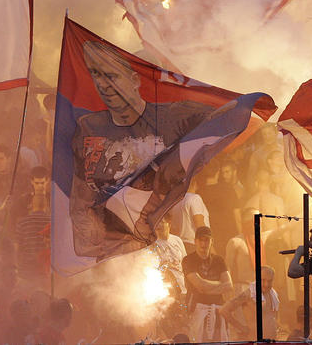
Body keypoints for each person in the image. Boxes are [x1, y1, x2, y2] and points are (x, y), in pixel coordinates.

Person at [69, 40, 216, 256]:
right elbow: (80, 196)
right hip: (107, 249)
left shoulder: (174, 117)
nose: (103, 85)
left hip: (151, 241)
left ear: (136, 80)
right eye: (98, 76)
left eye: (113, 77)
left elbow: (222, 116)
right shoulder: (88, 128)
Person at [182, 226, 233, 343]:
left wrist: (206, 286)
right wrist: (220, 284)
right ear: (195, 241)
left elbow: (229, 285)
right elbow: (199, 286)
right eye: (200, 240)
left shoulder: (219, 260)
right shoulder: (188, 260)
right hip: (197, 310)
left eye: (207, 240)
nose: (203, 243)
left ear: (212, 241)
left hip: (219, 310)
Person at [221, 264, 280, 340]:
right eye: (263, 280)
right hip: (254, 340)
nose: (266, 284)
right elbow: (224, 310)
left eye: (270, 281)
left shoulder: (273, 294)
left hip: (271, 339)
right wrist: (242, 328)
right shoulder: (249, 293)